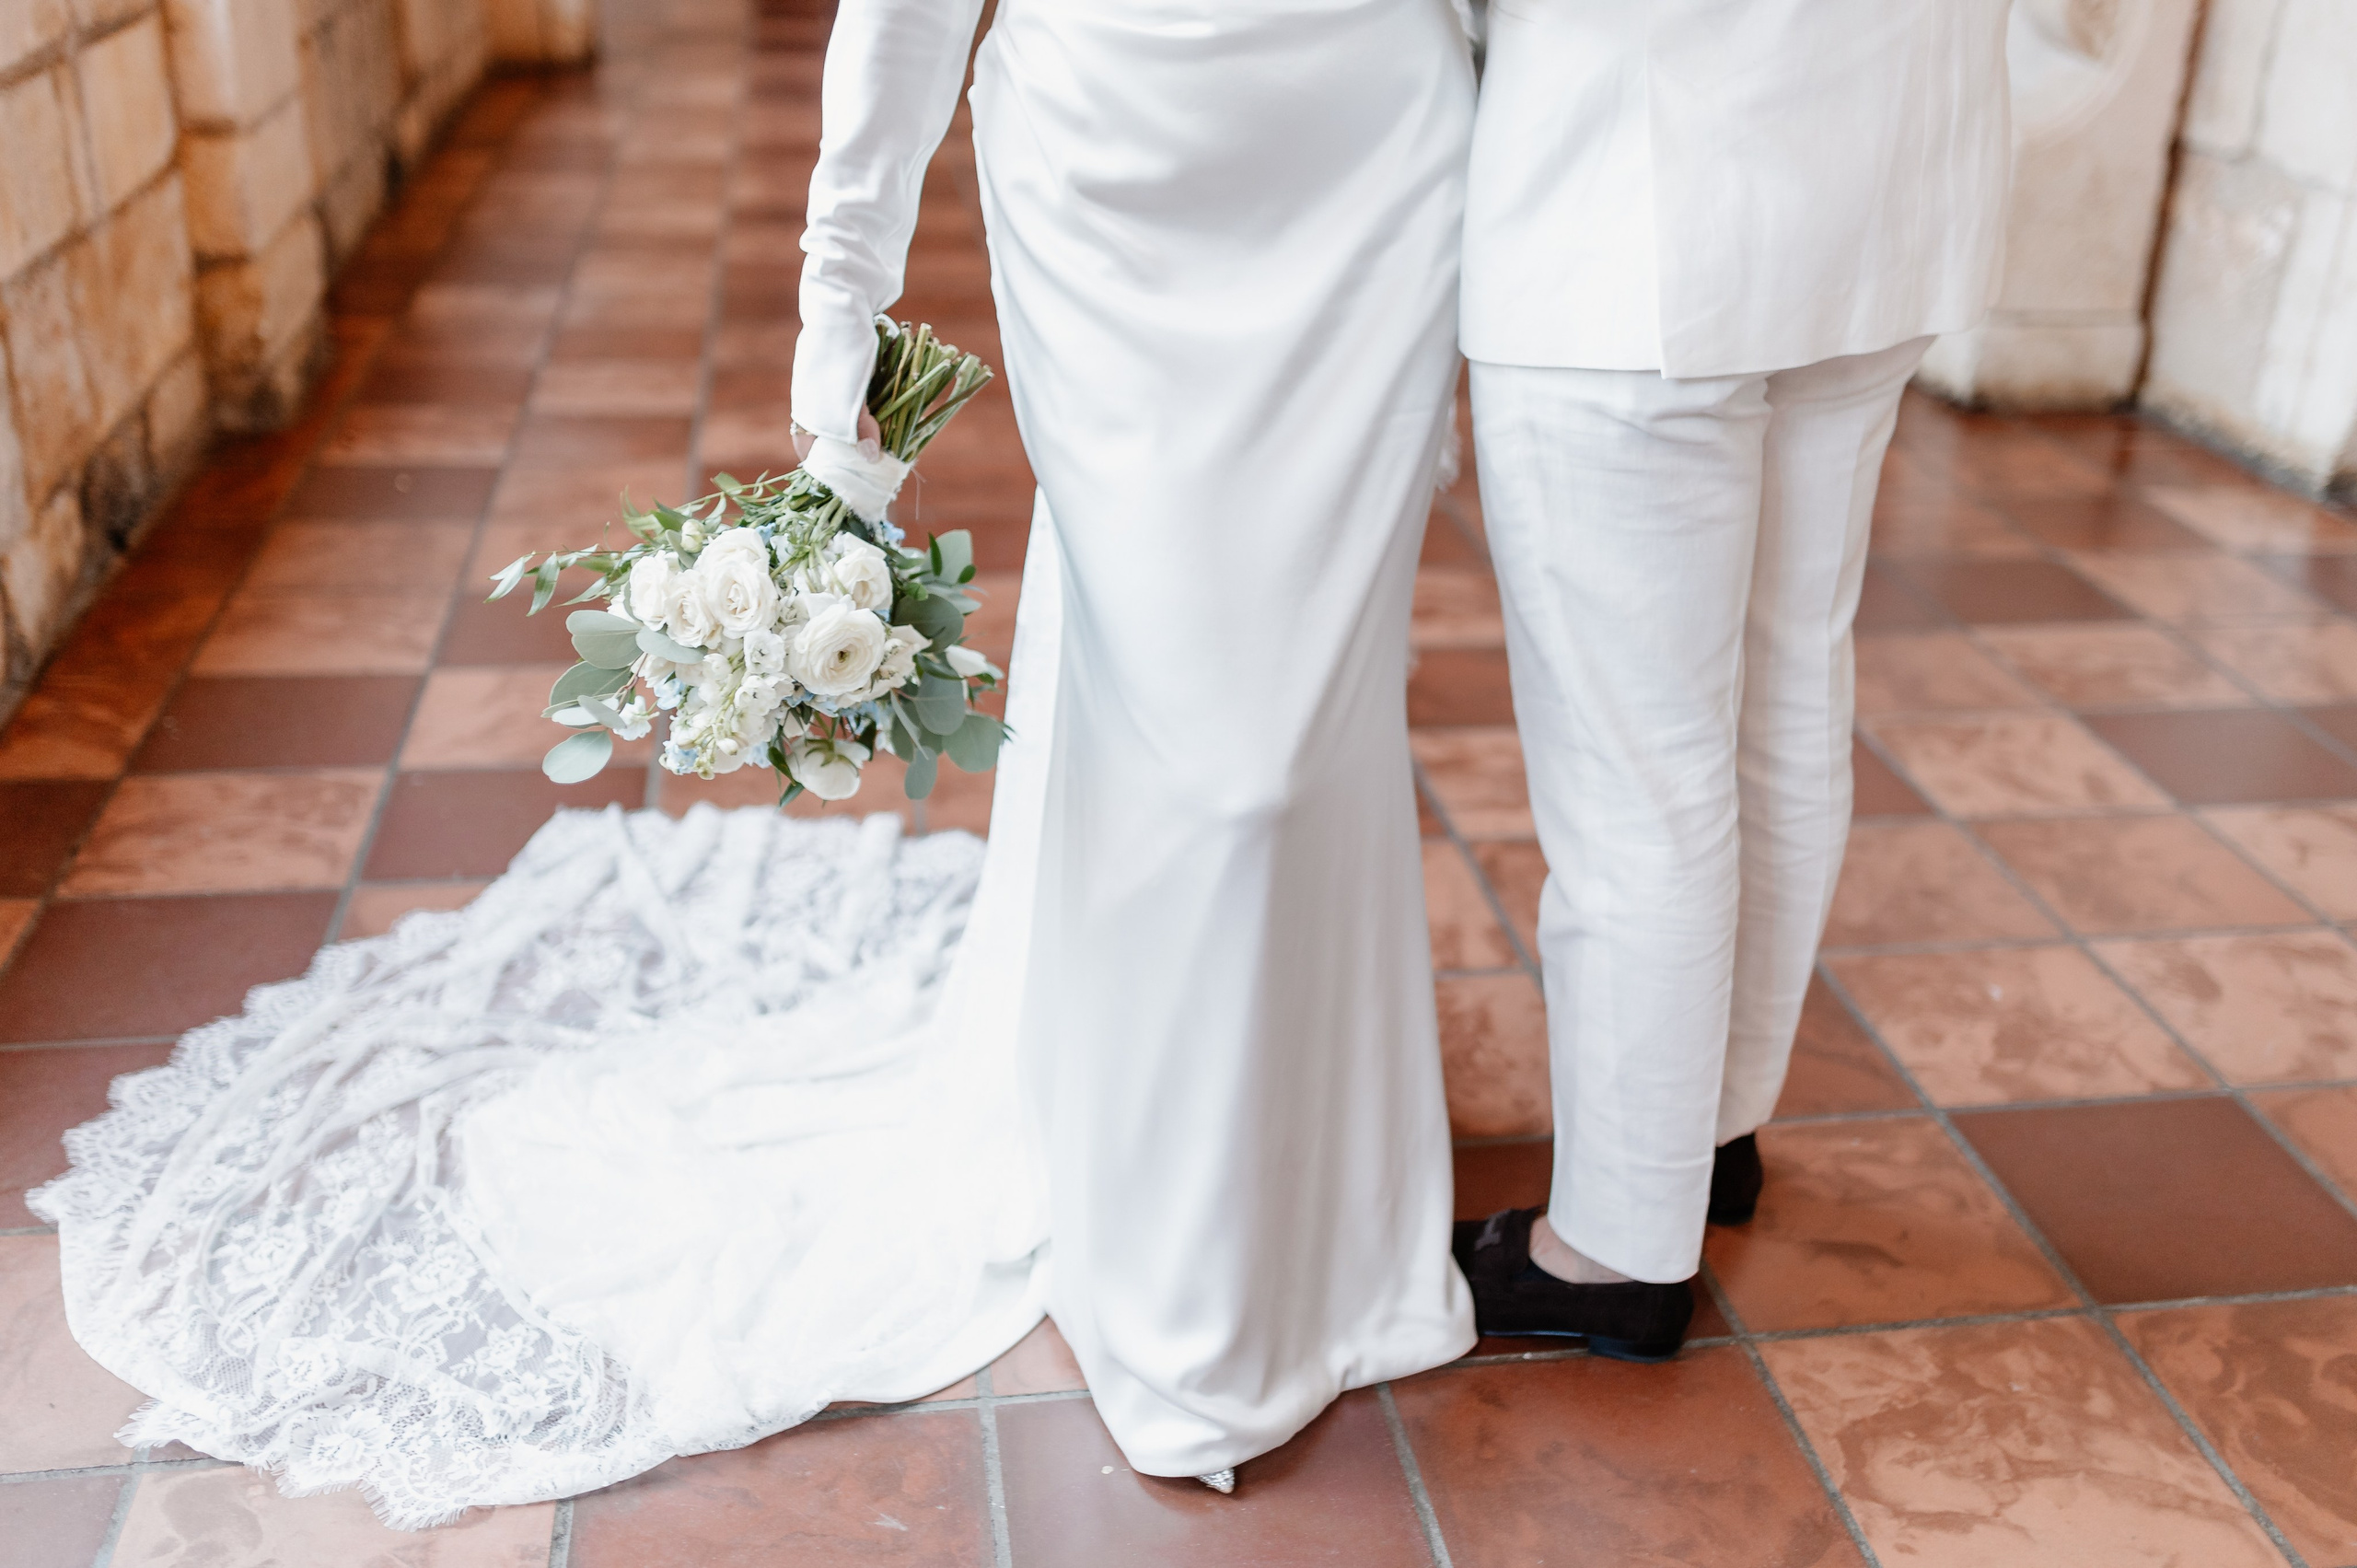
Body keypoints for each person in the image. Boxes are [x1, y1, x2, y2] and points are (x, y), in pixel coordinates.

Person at [33, 0, 1478, 1525]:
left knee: (1306, 705)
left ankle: (1333, 1205)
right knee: (1213, 737)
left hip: (1372, 163)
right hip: (1115, 167)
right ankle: (1199, 1297)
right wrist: (840, 284)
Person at [1449, 0, 2013, 1355]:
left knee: (1640, 771)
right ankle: (1707, 1134)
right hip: (1886, 149)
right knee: (1787, 690)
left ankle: (1614, 1246)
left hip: (1639, 182)